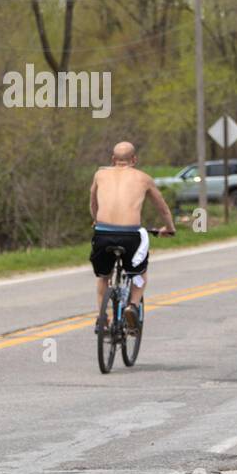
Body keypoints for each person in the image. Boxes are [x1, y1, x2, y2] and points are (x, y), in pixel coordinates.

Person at [89, 142, 176, 333]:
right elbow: (162, 208)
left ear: (112, 160)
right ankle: (133, 306)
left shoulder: (100, 174)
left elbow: (93, 202)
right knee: (139, 273)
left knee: (104, 276)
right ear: (134, 160)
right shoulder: (143, 178)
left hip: (103, 233)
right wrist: (169, 228)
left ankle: (102, 318)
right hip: (130, 235)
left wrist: (96, 221)